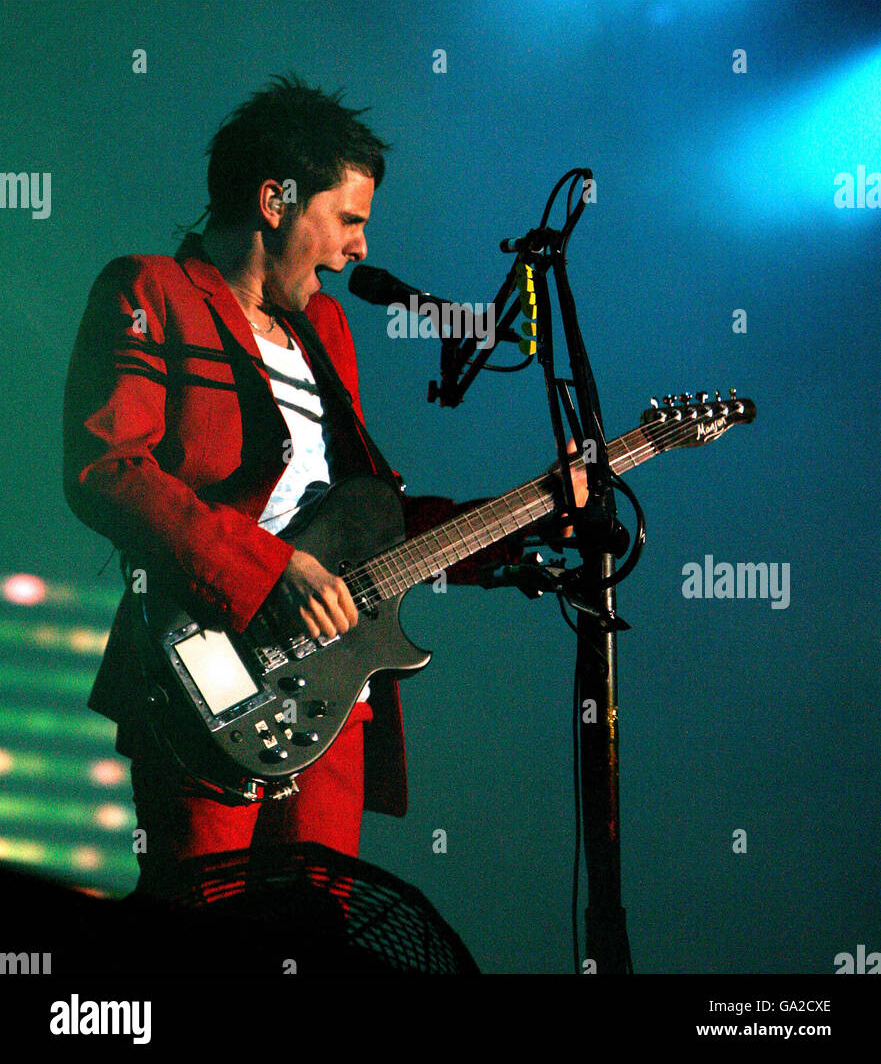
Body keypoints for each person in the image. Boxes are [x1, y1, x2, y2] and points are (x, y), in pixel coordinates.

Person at [62, 73, 585, 900]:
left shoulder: (326, 329)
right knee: (201, 919)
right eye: (347, 220)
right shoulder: (150, 290)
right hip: (202, 668)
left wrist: (524, 517)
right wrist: (270, 572)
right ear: (275, 200)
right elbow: (108, 469)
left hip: (331, 687)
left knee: (316, 931)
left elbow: (364, 524)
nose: (359, 250)